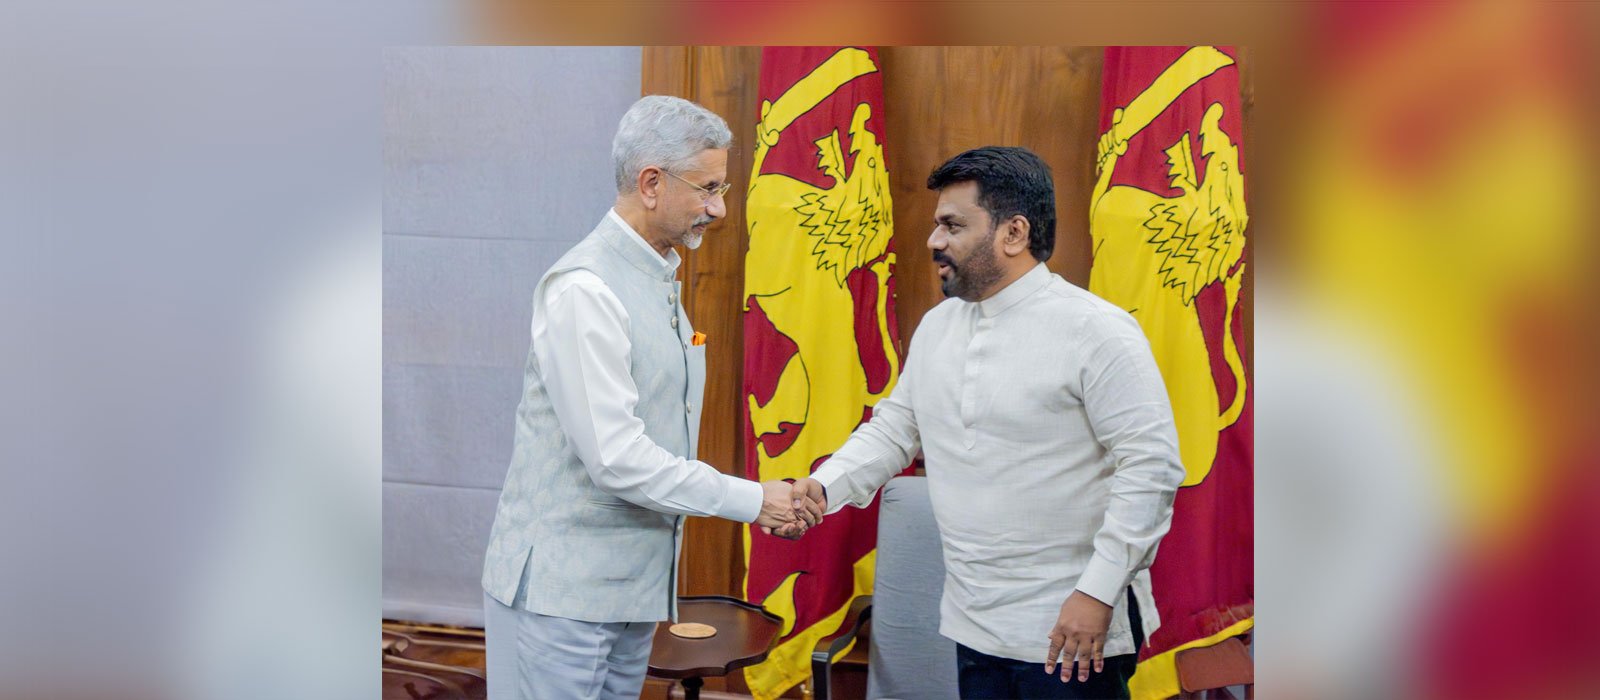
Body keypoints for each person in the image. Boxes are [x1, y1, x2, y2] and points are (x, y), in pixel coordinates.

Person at [783, 146, 1185, 699]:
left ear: (1013, 233)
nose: (934, 242)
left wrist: (1095, 594)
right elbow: (895, 430)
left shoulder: (1098, 331)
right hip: (975, 621)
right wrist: (822, 488)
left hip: (1073, 628)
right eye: (935, 225)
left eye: (952, 225)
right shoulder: (939, 326)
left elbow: (1153, 469)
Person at [479, 95, 820, 700]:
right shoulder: (586, 289)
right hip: (564, 599)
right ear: (652, 183)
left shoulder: (655, 275)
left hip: (630, 593)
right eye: (708, 188)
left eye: (724, 187)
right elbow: (616, 458)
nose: (719, 207)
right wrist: (751, 499)